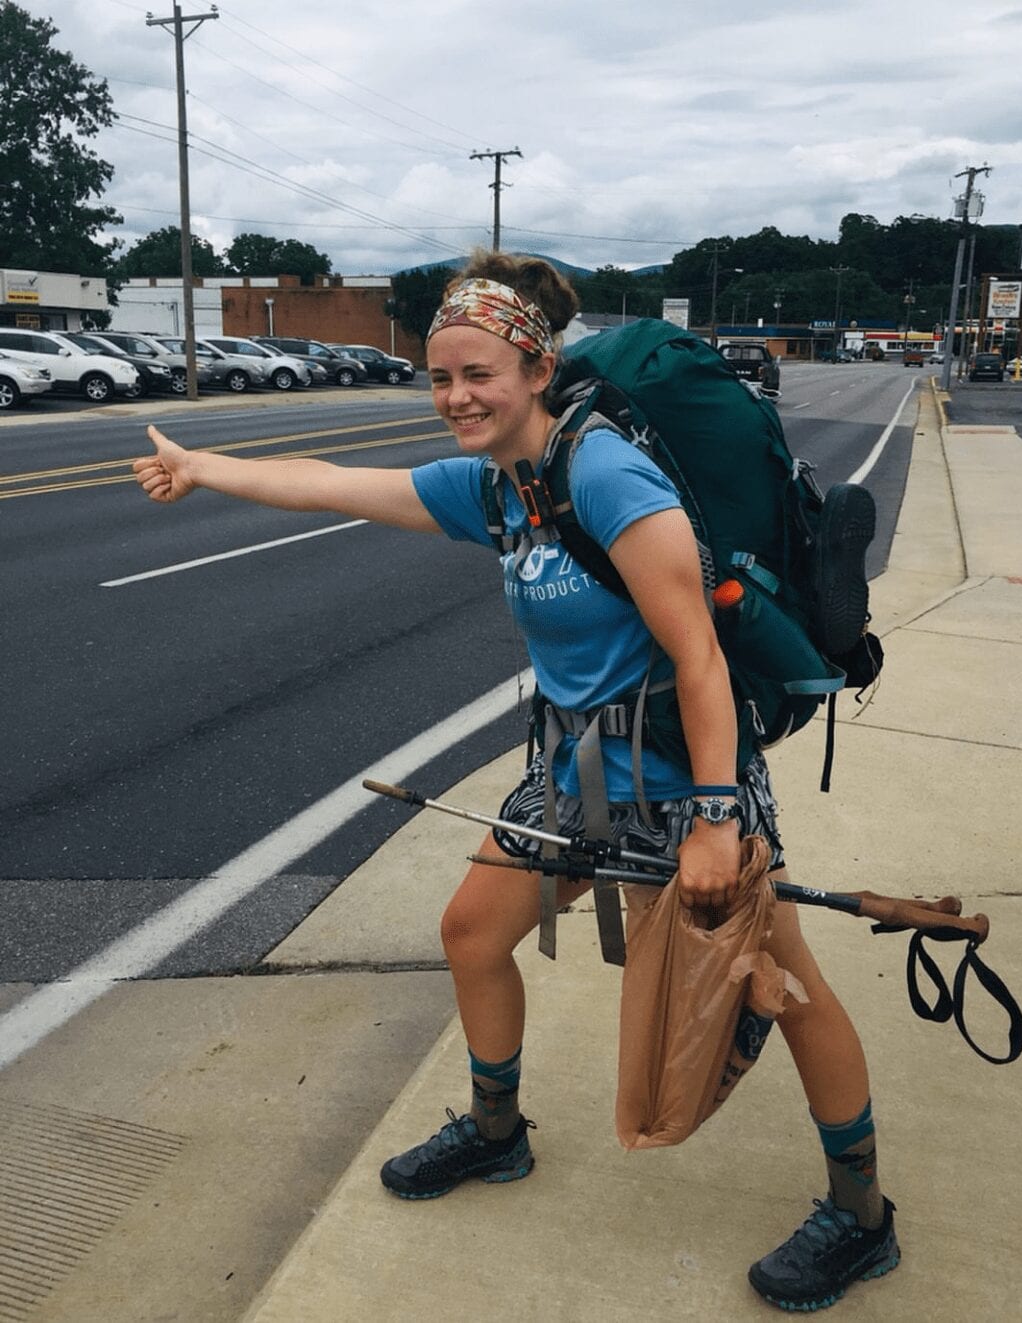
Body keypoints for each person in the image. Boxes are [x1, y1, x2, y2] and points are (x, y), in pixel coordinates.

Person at [133, 251, 899, 1312]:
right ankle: (497, 1136)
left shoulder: (607, 477)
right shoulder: (495, 486)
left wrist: (719, 820)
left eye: (479, 374)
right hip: (580, 774)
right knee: (471, 931)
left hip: (688, 775)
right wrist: (205, 466)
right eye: (441, 378)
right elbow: (339, 484)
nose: (457, 397)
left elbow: (701, 660)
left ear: (537, 368)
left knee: (786, 984)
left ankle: (862, 1217)